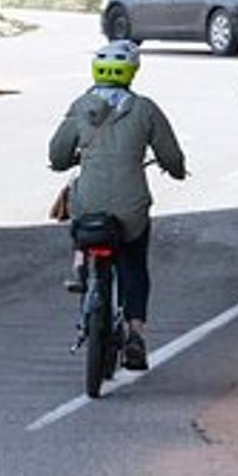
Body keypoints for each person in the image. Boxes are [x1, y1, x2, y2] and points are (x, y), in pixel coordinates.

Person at [48, 39, 186, 372]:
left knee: (80, 219)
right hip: (131, 210)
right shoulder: (145, 109)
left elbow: (57, 155)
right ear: (133, 72)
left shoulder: (81, 106)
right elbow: (171, 156)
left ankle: (82, 270)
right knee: (134, 263)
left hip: (89, 205)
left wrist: (70, 158)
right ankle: (135, 333)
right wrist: (176, 170)